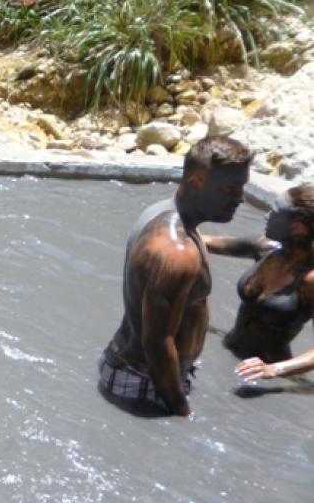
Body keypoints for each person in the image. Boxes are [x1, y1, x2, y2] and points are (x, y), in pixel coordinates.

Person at [98, 137, 254, 416]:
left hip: (134, 368)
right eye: (230, 189)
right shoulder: (176, 252)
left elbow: (196, 243)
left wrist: (253, 247)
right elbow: (157, 344)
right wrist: (182, 409)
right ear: (196, 183)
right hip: (146, 383)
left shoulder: (162, 213)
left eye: (241, 188)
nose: (239, 199)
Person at [202, 185, 314, 382]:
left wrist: (273, 370)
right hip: (230, 351)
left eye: (275, 212)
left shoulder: (309, 279)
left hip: (266, 374)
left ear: (298, 227)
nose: (266, 215)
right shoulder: (266, 248)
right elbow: (206, 241)